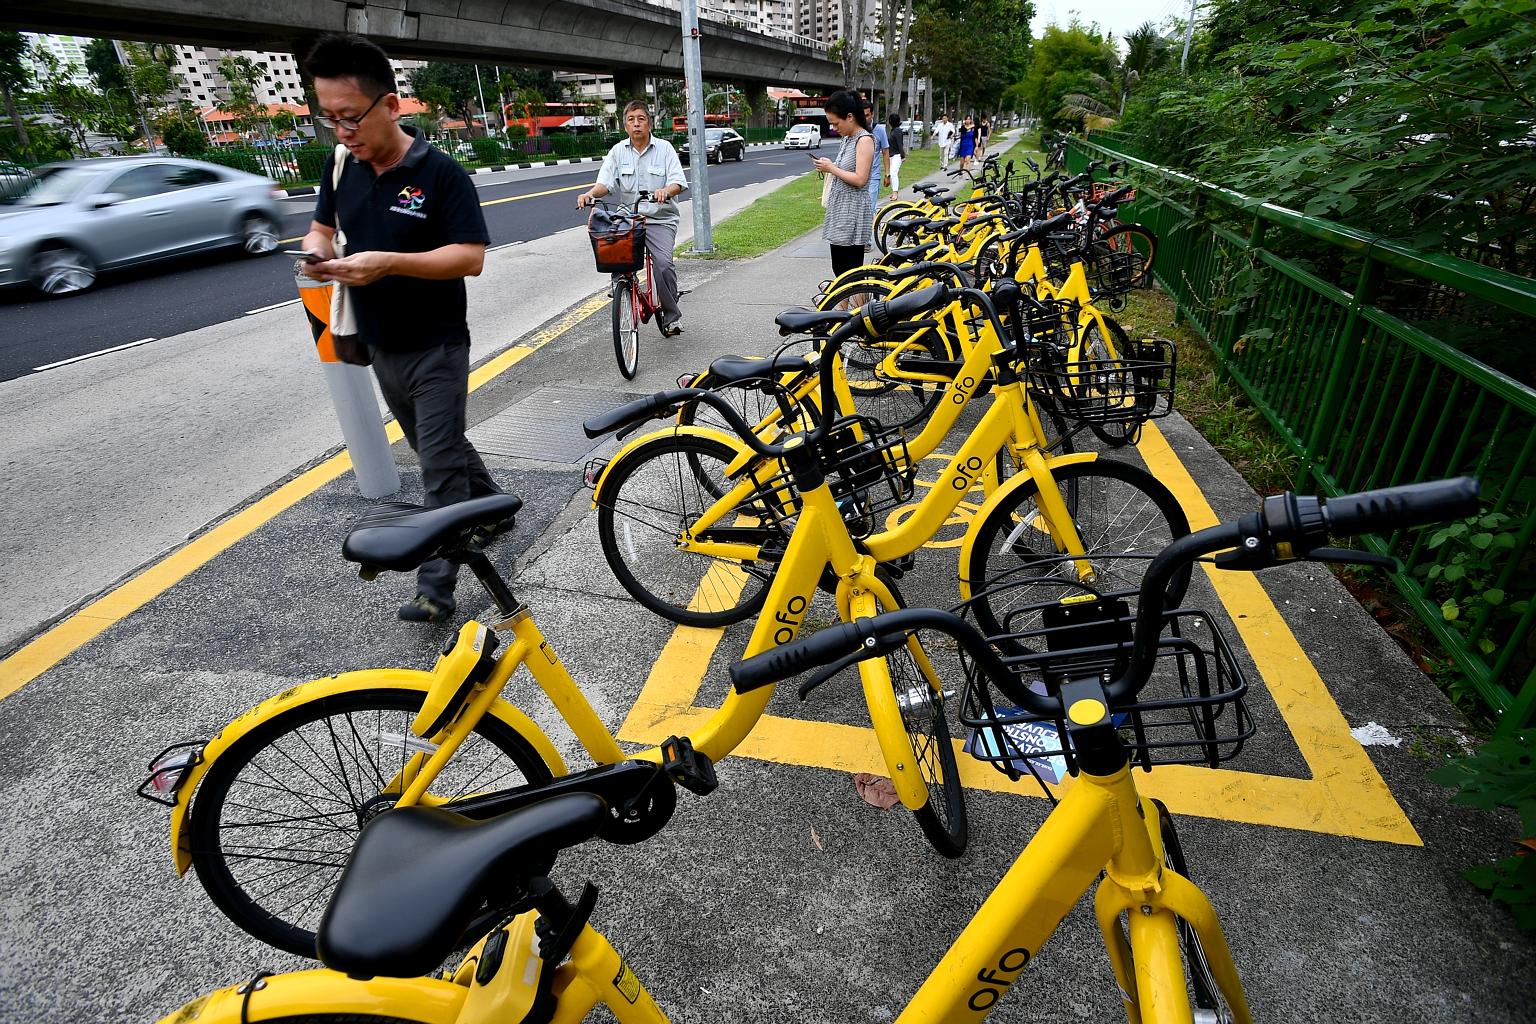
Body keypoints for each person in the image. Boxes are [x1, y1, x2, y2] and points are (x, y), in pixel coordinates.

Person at [298, 33, 496, 625]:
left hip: (437, 343)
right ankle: (492, 504)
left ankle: (435, 587)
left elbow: (469, 257)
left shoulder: (440, 173)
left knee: (437, 465)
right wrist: (317, 253)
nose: (341, 131)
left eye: (350, 116)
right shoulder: (341, 166)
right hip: (379, 342)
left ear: (389, 104)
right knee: (437, 445)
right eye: (328, 117)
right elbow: (320, 229)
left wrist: (387, 263)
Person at [577, 100, 688, 335]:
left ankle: (671, 316)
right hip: (629, 218)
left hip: (660, 219)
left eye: (641, 119)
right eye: (631, 119)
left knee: (663, 265)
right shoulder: (618, 152)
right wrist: (589, 194)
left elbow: (678, 182)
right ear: (625, 126)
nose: (636, 123)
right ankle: (621, 285)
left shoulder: (665, 149)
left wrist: (665, 191)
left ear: (649, 123)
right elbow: (605, 184)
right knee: (612, 249)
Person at [811, 90, 876, 289]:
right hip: (840, 209)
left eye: (835, 123)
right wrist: (829, 166)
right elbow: (844, 169)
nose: (834, 128)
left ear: (850, 117)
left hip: (853, 211)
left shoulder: (864, 140)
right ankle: (844, 307)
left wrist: (831, 168)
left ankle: (860, 308)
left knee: (851, 271)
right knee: (840, 269)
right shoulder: (848, 138)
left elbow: (860, 179)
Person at [862, 97, 889, 217]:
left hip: (873, 177)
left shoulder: (880, 130)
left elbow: (885, 152)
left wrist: (887, 175)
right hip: (857, 177)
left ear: (872, 114)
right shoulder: (857, 130)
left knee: (869, 210)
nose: (865, 118)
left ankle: (870, 230)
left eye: (867, 115)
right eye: (862, 116)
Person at [885, 113, 906, 195]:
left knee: (893, 173)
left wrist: (902, 156)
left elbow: (900, 144)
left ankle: (895, 192)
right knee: (891, 173)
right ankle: (893, 191)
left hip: (897, 155)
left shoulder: (897, 131)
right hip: (891, 155)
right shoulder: (893, 130)